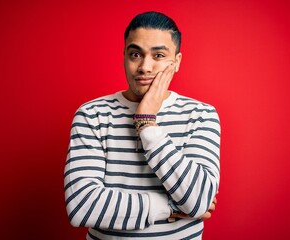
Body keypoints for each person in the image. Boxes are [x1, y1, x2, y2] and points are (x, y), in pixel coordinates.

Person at [64, 11, 220, 239]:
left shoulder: (200, 114)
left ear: (176, 62)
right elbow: (81, 206)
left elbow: (199, 200)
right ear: (124, 56)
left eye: (158, 55)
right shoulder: (92, 114)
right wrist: (170, 206)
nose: (145, 67)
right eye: (135, 54)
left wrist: (147, 122)